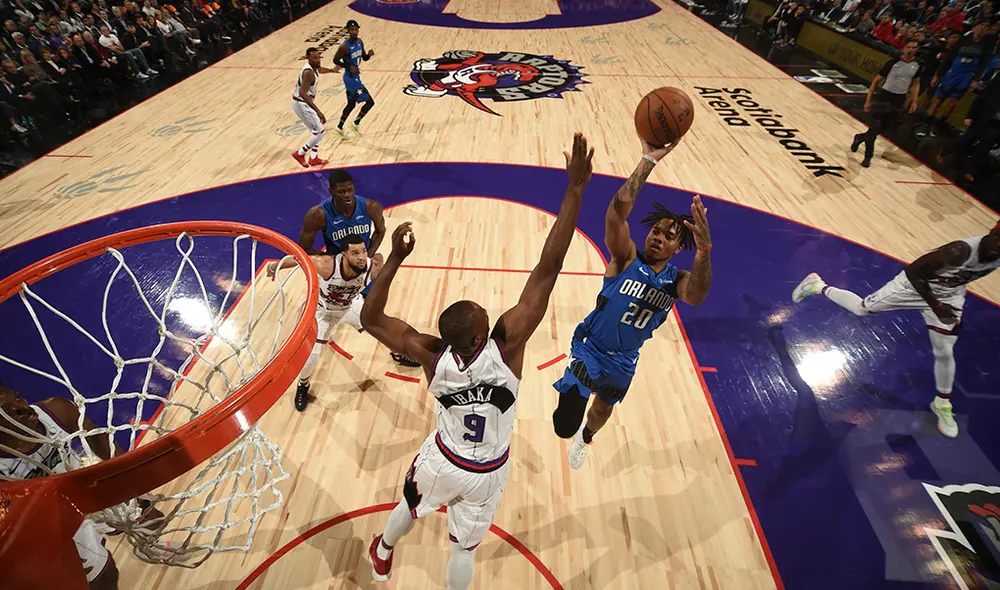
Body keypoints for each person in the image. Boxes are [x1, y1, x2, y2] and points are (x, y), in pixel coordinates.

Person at [361, 133, 594, 589]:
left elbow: (371, 318)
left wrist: (394, 259)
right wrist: (575, 190)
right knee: (463, 549)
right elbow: (549, 266)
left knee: (409, 506)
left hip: (441, 461)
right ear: (483, 334)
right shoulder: (507, 347)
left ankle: (383, 553)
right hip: (488, 469)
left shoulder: (430, 354)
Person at [551, 137, 712, 471]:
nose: (658, 237)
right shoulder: (625, 259)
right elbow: (614, 216)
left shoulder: (675, 280)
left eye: (669, 236)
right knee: (564, 423)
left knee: (602, 411)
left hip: (624, 361)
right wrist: (647, 162)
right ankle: (573, 418)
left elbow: (696, 295)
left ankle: (586, 439)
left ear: (677, 248)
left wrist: (704, 250)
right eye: (656, 230)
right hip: (591, 348)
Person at [792, 224, 1000, 438]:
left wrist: (945, 302)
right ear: (993, 228)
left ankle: (942, 403)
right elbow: (914, 273)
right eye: (998, 238)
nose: (999, 245)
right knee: (861, 308)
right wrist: (937, 306)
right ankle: (817, 286)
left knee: (944, 350)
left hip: (948, 294)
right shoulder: (959, 251)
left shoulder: (996, 255)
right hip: (912, 286)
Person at [0, 384, 165, 589]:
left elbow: (100, 440)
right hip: (55, 519)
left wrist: (135, 487)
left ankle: (158, 550)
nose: (22, 406)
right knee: (105, 578)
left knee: (153, 520)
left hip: (84, 488)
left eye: (17, 397)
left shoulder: (56, 410)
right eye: (7, 411)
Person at [297, 169, 420, 367]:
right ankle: (311, 330)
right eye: (341, 192)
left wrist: (367, 256)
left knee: (373, 318)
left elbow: (380, 231)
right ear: (330, 191)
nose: (347, 195)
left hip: (361, 272)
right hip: (335, 274)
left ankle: (396, 351)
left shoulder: (370, 207)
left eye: (350, 190)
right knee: (339, 316)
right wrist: (332, 261)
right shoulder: (318, 214)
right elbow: (303, 249)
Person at [267, 235, 375, 411]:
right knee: (311, 357)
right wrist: (273, 267)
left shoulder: (370, 266)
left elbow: (385, 267)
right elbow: (300, 258)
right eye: (355, 253)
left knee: (380, 327)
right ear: (344, 254)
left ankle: (398, 353)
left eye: (363, 251)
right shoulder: (326, 265)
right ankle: (303, 385)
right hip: (323, 311)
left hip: (349, 306)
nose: (362, 257)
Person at [851, 40, 922, 167]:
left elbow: (916, 83)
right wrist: (868, 100)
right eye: (908, 47)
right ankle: (868, 156)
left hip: (899, 99)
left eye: (914, 47)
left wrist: (914, 101)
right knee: (875, 127)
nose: (911, 50)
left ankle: (860, 137)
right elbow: (876, 81)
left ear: (917, 49)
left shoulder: (917, 65)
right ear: (904, 48)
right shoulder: (892, 63)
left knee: (884, 128)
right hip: (884, 96)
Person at [924, 21, 992, 136]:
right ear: (975, 27)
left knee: (952, 103)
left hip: (965, 77)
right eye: (982, 25)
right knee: (937, 100)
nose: (984, 28)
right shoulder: (963, 40)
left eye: (987, 27)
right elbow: (949, 58)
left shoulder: (986, 45)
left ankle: (937, 126)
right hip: (952, 73)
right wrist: (938, 74)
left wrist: (975, 80)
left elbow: (983, 65)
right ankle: (925, 124)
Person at [290, 46, 339, 168]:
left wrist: (332, 70)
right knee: (320, 132)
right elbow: (302, 93)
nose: (317, 60)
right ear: (308, 58)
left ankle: (313, 158)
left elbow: (320, 69)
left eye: (318, 57)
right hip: (301, 103)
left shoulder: (314, 68)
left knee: (317, 131)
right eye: (314, 58)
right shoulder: (308, 73)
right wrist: (317, 111)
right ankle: (300, 153)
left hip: (303, 102)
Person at [331, 19, 374, 137]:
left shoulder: (360, 41)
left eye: (356, 30)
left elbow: (363, 57)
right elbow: (335, 60)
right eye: (352, 30)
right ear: (348, 31)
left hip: (355, 77)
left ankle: (339, 128)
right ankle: (355, 123)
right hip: (350, 78)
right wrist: (349, 67)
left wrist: (369, 55)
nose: (354, 32)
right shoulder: (344, 46)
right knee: (370, 102)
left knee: (351, 104)